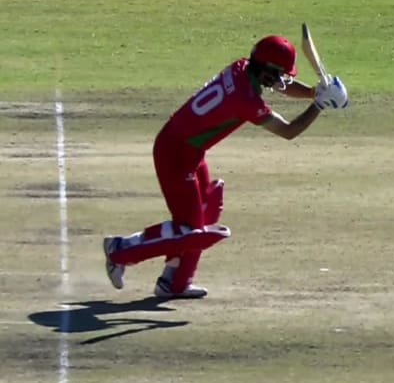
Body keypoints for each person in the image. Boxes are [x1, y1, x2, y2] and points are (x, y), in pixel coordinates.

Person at [103, 34, 348, 299]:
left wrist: (314, 91)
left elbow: (281, 87)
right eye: (278, 74)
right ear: (265, 69)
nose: (281, 80)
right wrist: (319, 104)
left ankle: (173, 282)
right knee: (189, 230)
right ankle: (120, 251)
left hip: (187, 149)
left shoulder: (243, 67)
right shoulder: (245, 100)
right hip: (175, 154)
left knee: (205, 210)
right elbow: (289, 131)